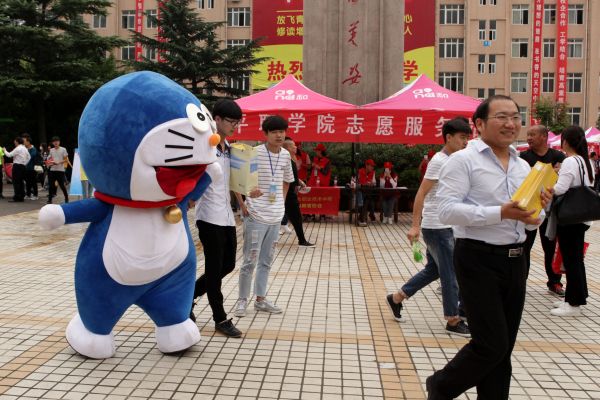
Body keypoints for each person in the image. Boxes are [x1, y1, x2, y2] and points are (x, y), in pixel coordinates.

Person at [426, 95, 554, 400]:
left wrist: (539, 210)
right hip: (477, 258)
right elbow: (446, 211)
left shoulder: (523, 166)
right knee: (491, 345)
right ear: (480, 124)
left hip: (517, 260)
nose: (511, 123)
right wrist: (501, 212)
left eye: (516, 116)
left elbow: (530, 223)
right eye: (502, 117)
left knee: (503, 349)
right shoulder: (463, 161)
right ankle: (440, 385)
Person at [385, 117, 471, 338]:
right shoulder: (439, 161)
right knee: (450, 273)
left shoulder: (455, 160)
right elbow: (421, 193)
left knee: (434, 270)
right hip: (437, 226)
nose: (466, 142)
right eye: (462, 137)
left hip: (446, 225)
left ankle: (396, 298)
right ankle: (453, 320)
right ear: (449, 137)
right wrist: (415, 225)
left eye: (468, 138)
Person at [188, 99, 248, 337]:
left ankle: (188, 295)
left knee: (229, 264)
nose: (235, 126)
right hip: (208, 215)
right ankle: (220, 319)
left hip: (227, 215)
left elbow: (234, 180)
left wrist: (244, 199)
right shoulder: (206, 146)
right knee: (214, 270)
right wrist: (189, 195)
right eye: (231, 121)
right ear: (217, 120)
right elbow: (190, 172)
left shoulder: (230, 147)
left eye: (238, 122)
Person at [234, 115, 295, 317]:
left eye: (281, 131)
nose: (278, 135)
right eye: (274, 132)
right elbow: (238, 179)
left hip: (275, 217)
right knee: (250, 260)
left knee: (266, 261)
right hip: (256, 215)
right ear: (265, 134)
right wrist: (243, 202)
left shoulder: (285, 155)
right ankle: (242, 300)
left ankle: (260, 300)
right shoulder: (254, 153)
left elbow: (287, 180)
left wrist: (281, 203)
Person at [549, 126, 594, 317]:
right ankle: (575, 296)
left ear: (565, 142)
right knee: (576, 260)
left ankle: (573, 304)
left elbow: (560, 188)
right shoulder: (586, 161)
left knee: (571, 260)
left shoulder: (569, 161)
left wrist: (547, 187)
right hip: (582, 216)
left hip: (569, 217)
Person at [519, 124, 566, 296]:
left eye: (532, 134)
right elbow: (526, 178)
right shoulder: (523, 157)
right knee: (525, 247)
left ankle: (555, 282)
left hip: (551, 209)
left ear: (544, 136)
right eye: (528, 134)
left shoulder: (558, 155)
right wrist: (551, 171)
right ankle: (520, 282)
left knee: (550, 246)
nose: (529, 138)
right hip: (530, 208)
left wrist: (538, 173)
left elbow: (560, 179)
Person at [281, 138, 316, 248]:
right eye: (294, 145)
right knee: (296, 217)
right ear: (288, 148)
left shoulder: (292, 159)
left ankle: (301, 240)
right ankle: (302, 241)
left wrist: (300, 182)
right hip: (288, 194)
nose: (296, 147)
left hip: (291, 193)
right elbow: (285, 178)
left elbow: (292, 176)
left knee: (295, 217)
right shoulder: (285, 161)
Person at [307, 144, 331, 222]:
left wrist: (320, 168)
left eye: (317, 150)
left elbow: (326, 172)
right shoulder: (315, 159)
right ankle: (313, 215)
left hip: (322, 183)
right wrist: (312, 166)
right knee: (313, 199)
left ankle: (323, 215)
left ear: (320, 151)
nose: (316, 152)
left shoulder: (327, 161)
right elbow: (312, 170)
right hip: (314, 182)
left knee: (322, 199)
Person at [3, 137, 31, 202]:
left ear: (17, 142)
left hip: (17, 166)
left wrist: (5, 151)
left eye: (15, 141)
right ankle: (21, 196)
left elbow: (9, 155)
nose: (14, 142)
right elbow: (29, 157)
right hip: (23, 166)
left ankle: (17, 196)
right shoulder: (24, 148)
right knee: (21, 182)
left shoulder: (18, 148)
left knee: (16, 182)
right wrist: (24, 163)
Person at [47, 136, 69, 204]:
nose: (55, 143)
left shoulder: (63, 149)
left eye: (57, 141)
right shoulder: (52, 150)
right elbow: (50, 158)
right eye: (54, 141)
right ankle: (49, 199)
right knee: (51, 185)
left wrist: (59, 162)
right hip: (53, 169)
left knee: (62, 185)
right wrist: (49, 162)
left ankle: (66, 198)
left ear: (59, 142)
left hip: (60, 170)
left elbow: (65, 159)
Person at [358, 159, 377, 226]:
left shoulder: (373, 173)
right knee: (367, 200)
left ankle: (362, 217)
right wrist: (362, 185)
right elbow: (354, 183)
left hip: (368, 192)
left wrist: (372, 184)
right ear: (366, 166)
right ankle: (366, 216)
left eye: (373, 166)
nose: (372, 168)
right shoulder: (359, 172)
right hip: (360, 192)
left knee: (370, 200)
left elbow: (374, 183)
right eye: (371, 166)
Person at [22, 135, 38, 200]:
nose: (24, 143)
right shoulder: (25, 149)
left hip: (32, 167)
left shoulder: (33, 149)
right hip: (26, 167)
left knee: (33, 181)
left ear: (28, 142)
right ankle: (28, 194)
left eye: (25, 141)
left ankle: (35, 195)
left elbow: (32, 156)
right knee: (28, 182)